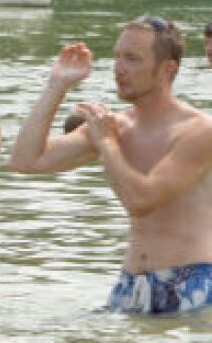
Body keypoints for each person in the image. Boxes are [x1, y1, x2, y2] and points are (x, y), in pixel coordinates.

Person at [11, 17, 212, 314]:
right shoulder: (116, 127)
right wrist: (57, 85)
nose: (118, 68)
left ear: (168, 69)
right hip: (129, 285)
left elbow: (141, 200)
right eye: (117, 56)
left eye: (132, 59)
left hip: (190, 283)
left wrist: (106, 144)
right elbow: (25, 160)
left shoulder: (198, 130)